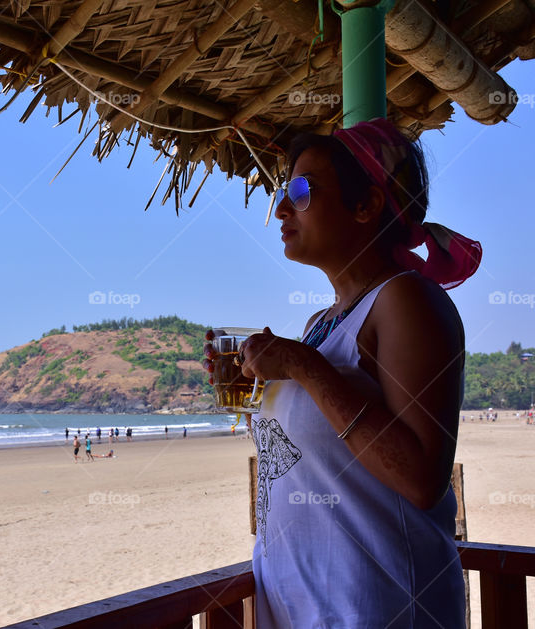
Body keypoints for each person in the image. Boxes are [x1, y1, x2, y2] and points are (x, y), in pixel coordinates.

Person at [203, 119, 480, 628]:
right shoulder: (321, 323)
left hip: (379, 607)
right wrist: (249, 385)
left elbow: (422, 478)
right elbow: (307, 456)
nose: (283, 208)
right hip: (300, 604)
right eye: (284, 193)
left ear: (366, 205)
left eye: (303, 191)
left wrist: (303, 366)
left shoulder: (406, 300)